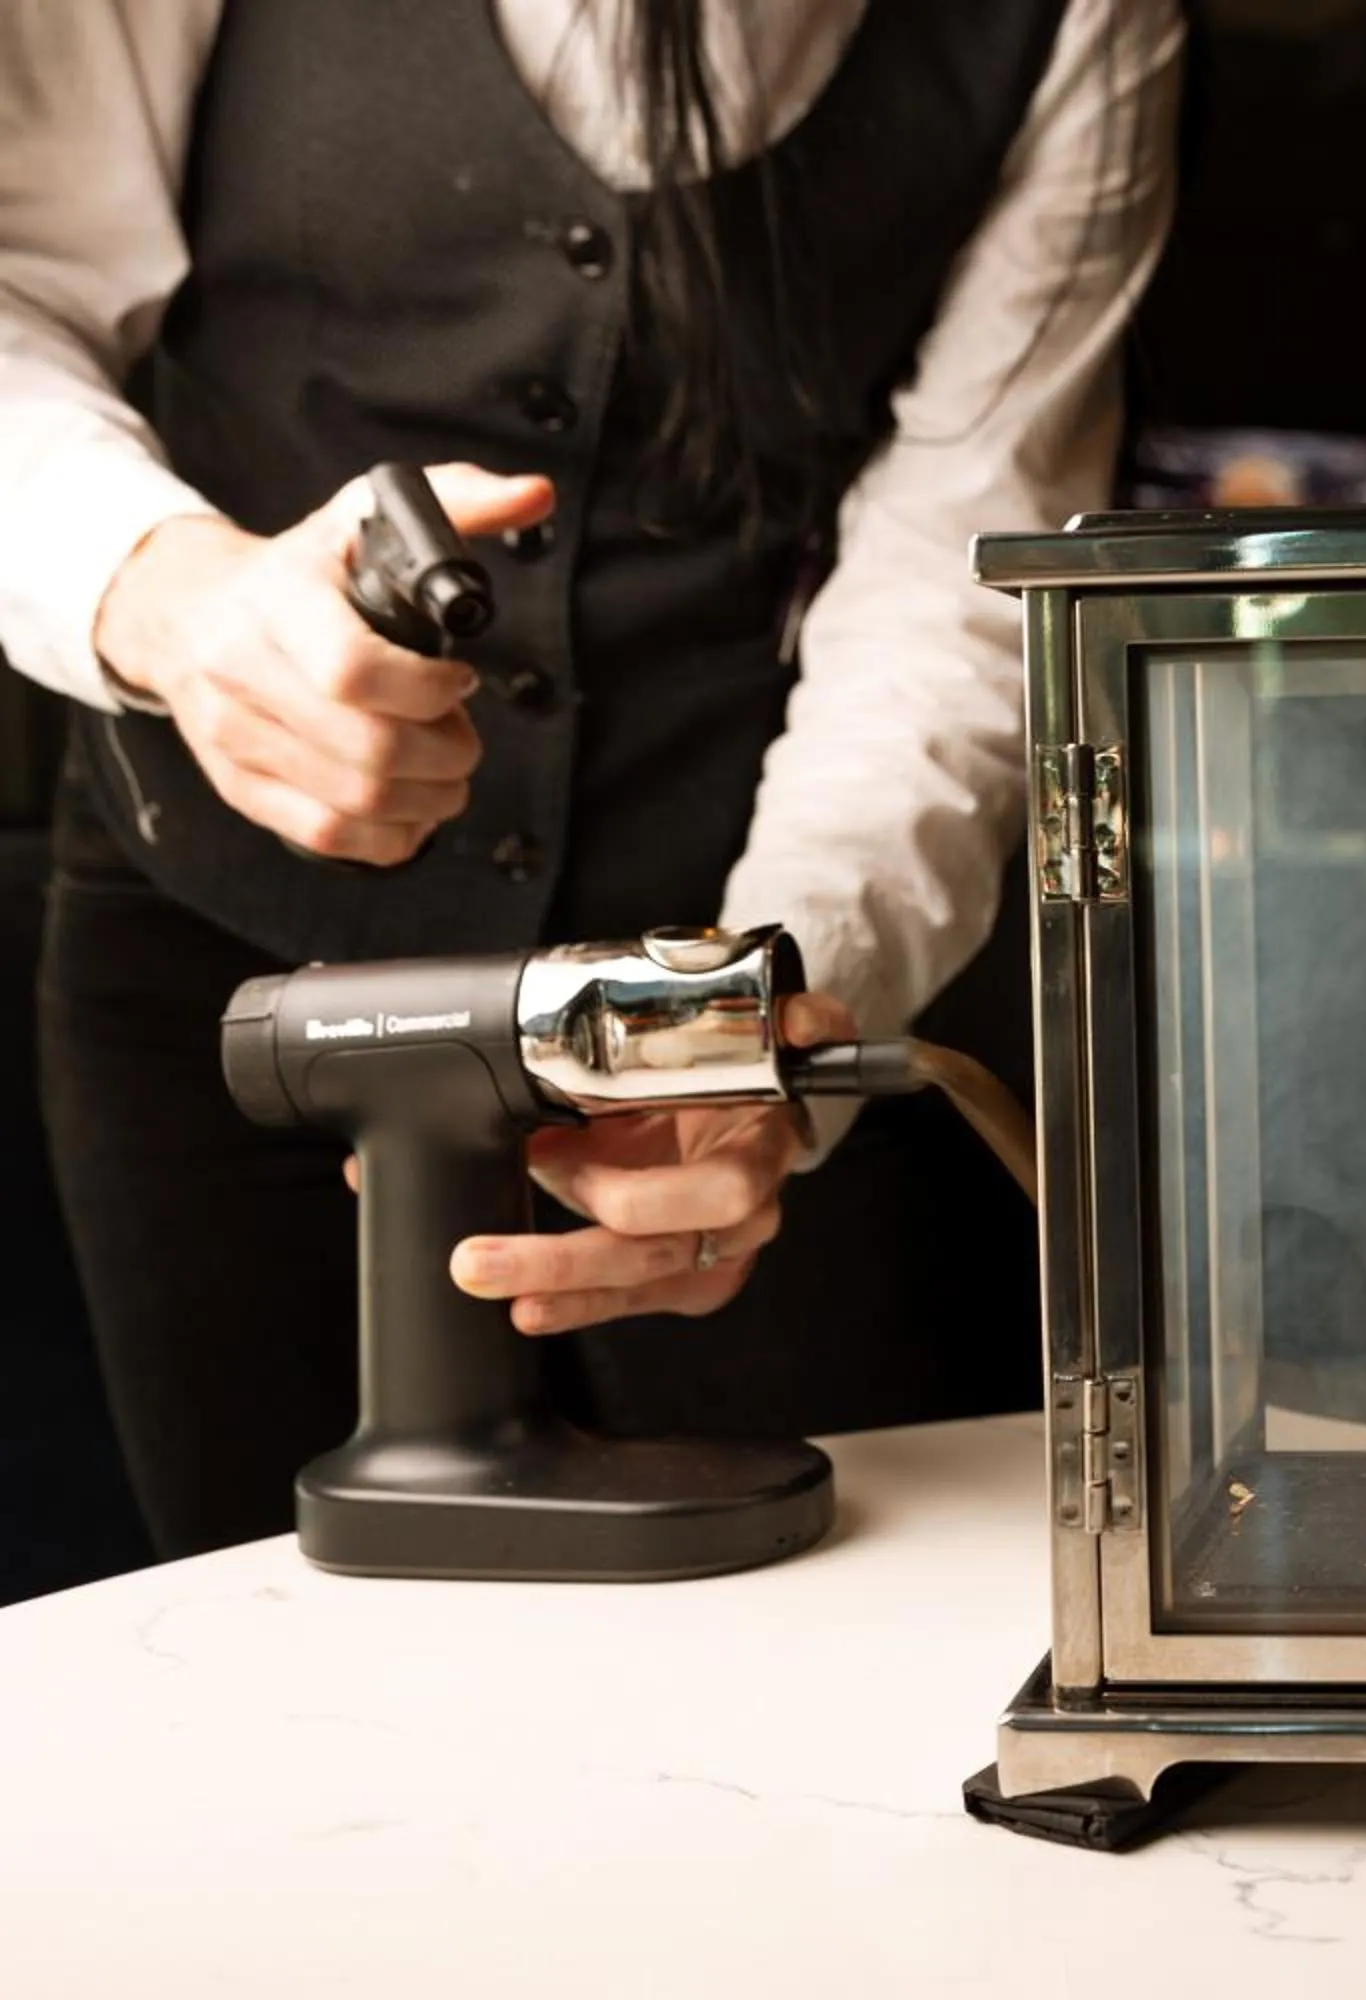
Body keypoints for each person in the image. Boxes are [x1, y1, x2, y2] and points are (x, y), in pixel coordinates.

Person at [0, 0, 1185, 1558]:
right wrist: (178, 604)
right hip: (222, 964)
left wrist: (755, 1020)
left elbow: (959, 570)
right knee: (264, 1632)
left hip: (740, 939)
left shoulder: (1080, 23)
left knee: (806, 1622)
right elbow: (19, 284)